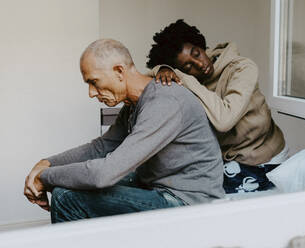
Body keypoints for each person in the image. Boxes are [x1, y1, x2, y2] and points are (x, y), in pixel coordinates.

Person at [24, 39, 225, 223]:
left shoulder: (165, 102)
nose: (91, 93)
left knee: (67, 198)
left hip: (190, 204)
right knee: (69, 186)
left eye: (94, 82)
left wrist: (45, 177)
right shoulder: (134, 103)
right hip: (159, 189)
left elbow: (104, 173)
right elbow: (101, 147)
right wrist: (46, 163)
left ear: (119, 71)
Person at [146, 20, 288, 194]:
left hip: (262, 158)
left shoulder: (242, 68)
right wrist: (163, 69)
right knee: (167, 182)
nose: (199, 64)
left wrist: (185, 77)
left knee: (197, 196)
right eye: (188, 66)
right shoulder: (190, 82)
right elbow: (144, 78)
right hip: (226, 159)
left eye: (196, 54)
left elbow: (224, 120)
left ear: (201, 46)